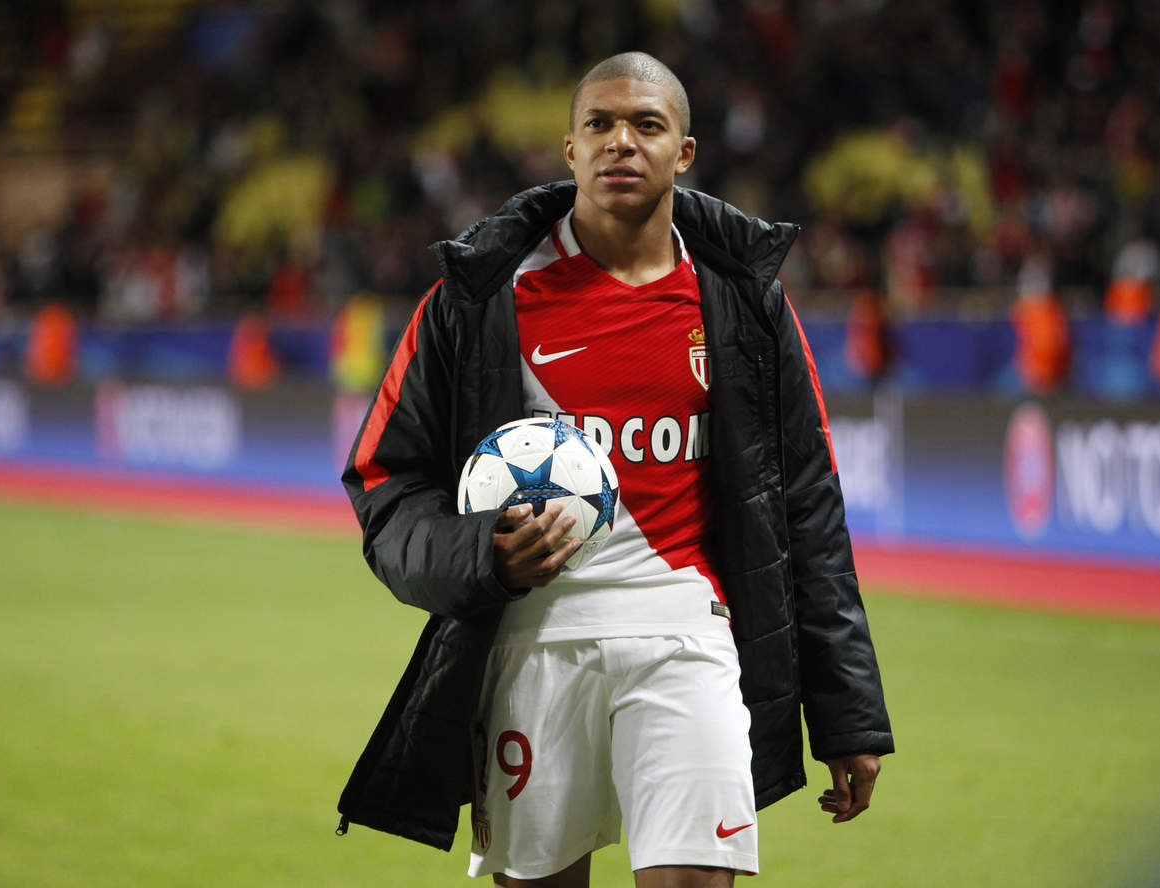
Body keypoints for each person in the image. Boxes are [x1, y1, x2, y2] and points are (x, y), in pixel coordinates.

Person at [336, 52, 893, 887]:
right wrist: (483, 554)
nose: (620, 141)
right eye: (598, 124)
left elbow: (808, 504)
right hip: (531, 642)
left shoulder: (742, 301)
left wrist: (848, 713)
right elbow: (385, 481)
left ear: (684, 152)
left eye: (646, 125)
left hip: (688, 631)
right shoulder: (478, 298)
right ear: (570, 149)